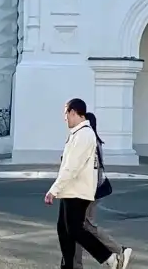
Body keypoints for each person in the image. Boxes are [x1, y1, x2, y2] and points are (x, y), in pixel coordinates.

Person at [44, 98, 124, 268]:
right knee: (64, 231)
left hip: (78, 191)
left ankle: (110, 258)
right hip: (71, 190)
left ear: (73, 112)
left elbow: (71, 167)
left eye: (65, 114)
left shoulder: (84, 135)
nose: (65, 118)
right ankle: (69, 266)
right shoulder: (78, 133)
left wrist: (53, 190)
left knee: (75, 230)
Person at [73, 112, 131, 269]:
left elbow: (91, 170)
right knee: (79, 227)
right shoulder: (93, 141)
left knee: (83, 227)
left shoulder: (90, 142)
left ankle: (118, 251)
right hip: (90, 190)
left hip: (88, 192)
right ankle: (76, 264)